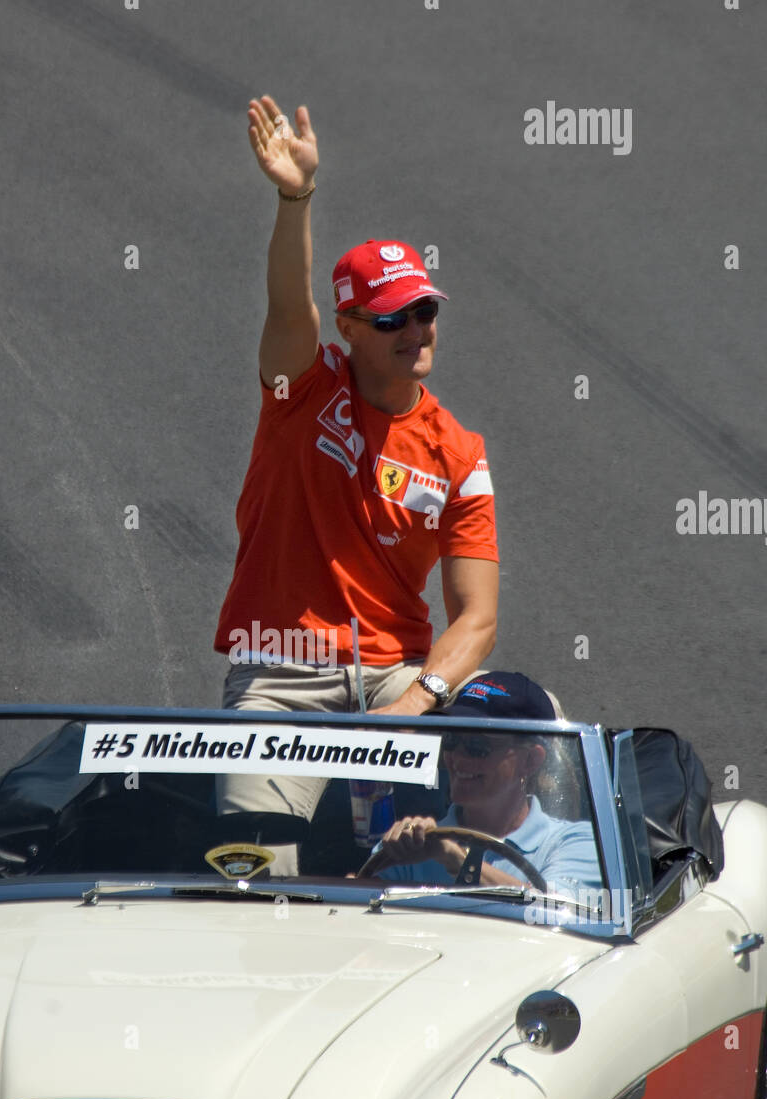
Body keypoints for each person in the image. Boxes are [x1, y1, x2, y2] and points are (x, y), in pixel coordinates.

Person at [213, 97, 500, 869]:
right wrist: (295, 196)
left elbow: (475, 619)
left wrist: (416, 704)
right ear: (346, 329)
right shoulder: (298, 389)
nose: (414, 332)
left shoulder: (460, 452)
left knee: (516, 752)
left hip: (397, 676)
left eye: (425, 313)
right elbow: (286, 302)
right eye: (391, 321)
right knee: (252, 864)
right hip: (281, 669)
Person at [378, 672, 603, 897]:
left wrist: (454, 858)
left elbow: (558, 909)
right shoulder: (413, 841)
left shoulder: (572, 841)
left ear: (530, 760)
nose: (457, 758)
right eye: (451, 739)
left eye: (477, 745)